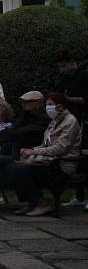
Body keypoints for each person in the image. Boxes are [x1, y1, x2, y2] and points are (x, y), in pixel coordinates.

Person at [2, 93, 82, 217]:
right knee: (13, 166)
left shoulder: (70, 121)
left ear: (60, 106)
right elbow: (45, 144)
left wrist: (34, 152)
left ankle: (42, 203)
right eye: (47, 105)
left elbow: (60, 148)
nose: (48, 108)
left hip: (61, 165)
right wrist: (31, 150)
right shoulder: (54, 121)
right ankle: (32, 201)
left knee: (18, 169)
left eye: (50, 105)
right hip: (49, 161)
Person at [54, 50, 88, 207]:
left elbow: (85, 100)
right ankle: (79, 195)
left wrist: (68, 99)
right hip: (65, 118)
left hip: (79, 119)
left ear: (71, 62)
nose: (62, 69)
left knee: (80, 156)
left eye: (63, 66)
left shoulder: (82, 77)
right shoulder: (64, 79)